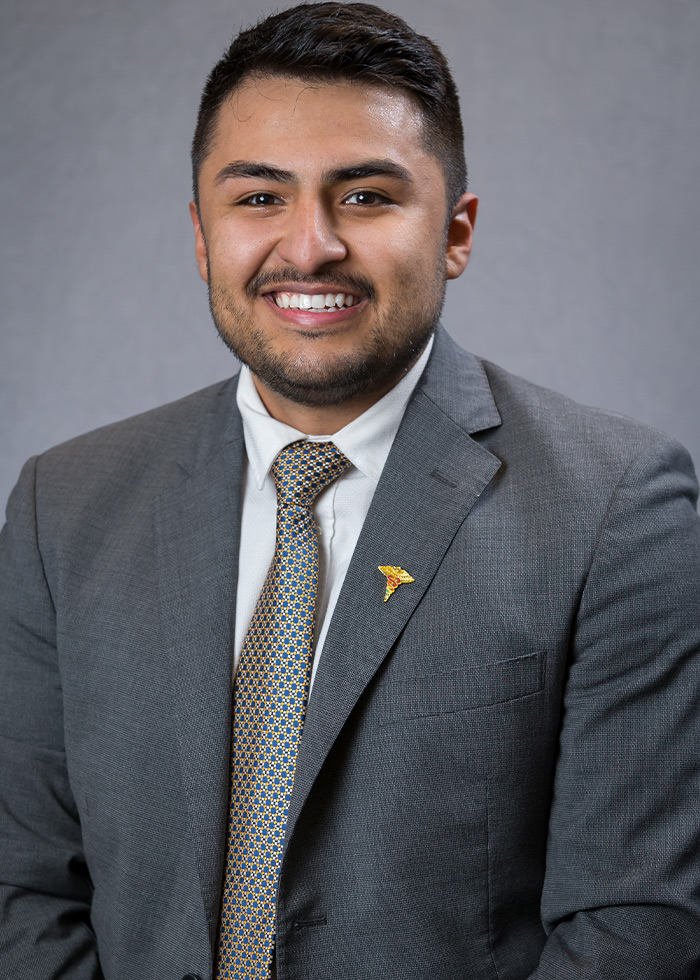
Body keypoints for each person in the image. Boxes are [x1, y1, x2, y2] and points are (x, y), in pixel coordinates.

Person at [1, 2, 700, 977]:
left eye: (366, 196)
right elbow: (23, 887)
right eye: (259, 199)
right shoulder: (61, 505)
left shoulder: (616, 507)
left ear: (454, 231)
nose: (311, 245)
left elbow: (635, 924)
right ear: (202, 236)